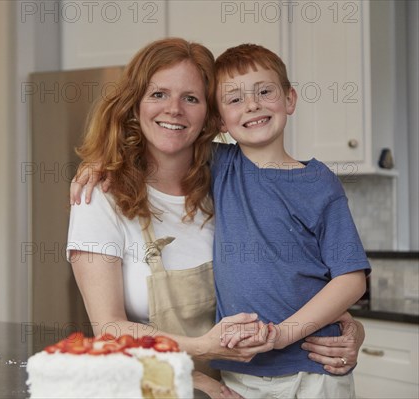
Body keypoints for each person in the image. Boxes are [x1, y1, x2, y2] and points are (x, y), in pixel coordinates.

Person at [68, 38, 366, 398]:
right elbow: (109, 330)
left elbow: (320, 278)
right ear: (134, 104)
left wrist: (348, 328)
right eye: (158, 94)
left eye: (191, 98)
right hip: (162, 386)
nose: (174, 110)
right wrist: (203, 352)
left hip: (261, 376)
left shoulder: (221, 179)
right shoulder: (101, 195)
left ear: (209, 116)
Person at [202, 43, 370, 398]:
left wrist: (283, 334)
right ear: (218, 119)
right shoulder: (219, 166)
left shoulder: (319, 182)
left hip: (316, 371)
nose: (252, 105)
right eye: (233, 99)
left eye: (265, 91)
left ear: (289, 100)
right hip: (241, 374)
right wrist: (97, 164)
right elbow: (151, 142)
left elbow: (351, 280)